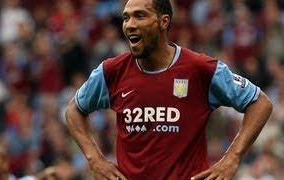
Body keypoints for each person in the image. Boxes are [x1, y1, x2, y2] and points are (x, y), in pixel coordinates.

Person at [65, 0, 273, 179]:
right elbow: (74, 109)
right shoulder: (111, 71)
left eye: (139, 16)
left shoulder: (200, 69)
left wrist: (232, 157)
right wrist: (95, 159)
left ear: (164, 21)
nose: (130, 25)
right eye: (126, 18)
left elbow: (260, 103)